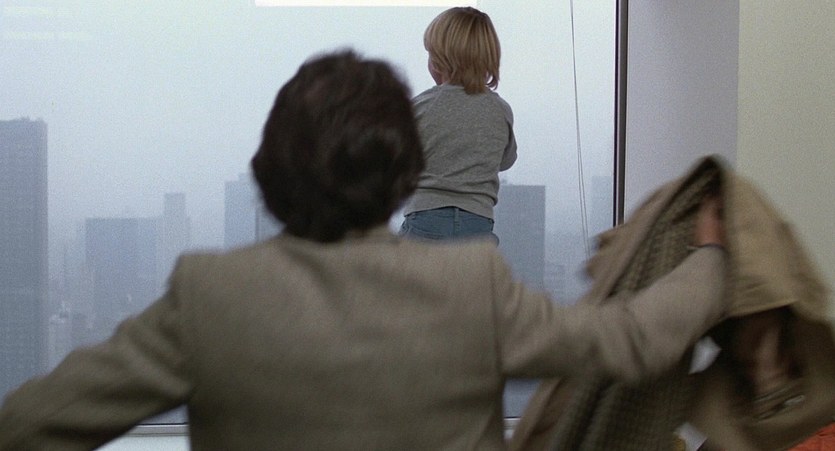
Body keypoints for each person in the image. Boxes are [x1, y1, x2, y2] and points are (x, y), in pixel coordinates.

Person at [0, 49, 727, 450]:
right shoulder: (470, 283)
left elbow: (31, 423)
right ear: (402, 175)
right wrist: (711, 258)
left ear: (269, 169)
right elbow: (632, 338)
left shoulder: (207, 295)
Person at [399, 6, 517, 242]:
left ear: (438, 61)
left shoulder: (420, 106)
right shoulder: (500, 110)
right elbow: (506, 160)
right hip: (478, 223)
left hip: (425, 219)